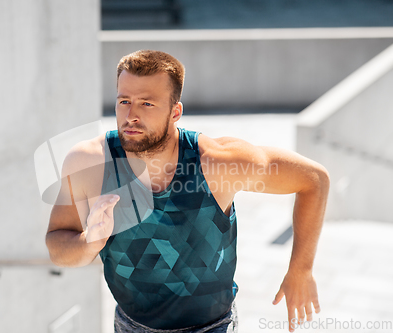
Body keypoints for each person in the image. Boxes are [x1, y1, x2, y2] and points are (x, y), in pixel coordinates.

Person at [45, 50, 330, 333]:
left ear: (175, 112)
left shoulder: (218, 163)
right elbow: (58, 245)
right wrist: (90, 243)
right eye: (124, 101)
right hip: (131, 327)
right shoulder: (90, 163)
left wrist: (301, 270)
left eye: (147, 103)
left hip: (212, 327)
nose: (131, 115)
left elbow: (314, 180)